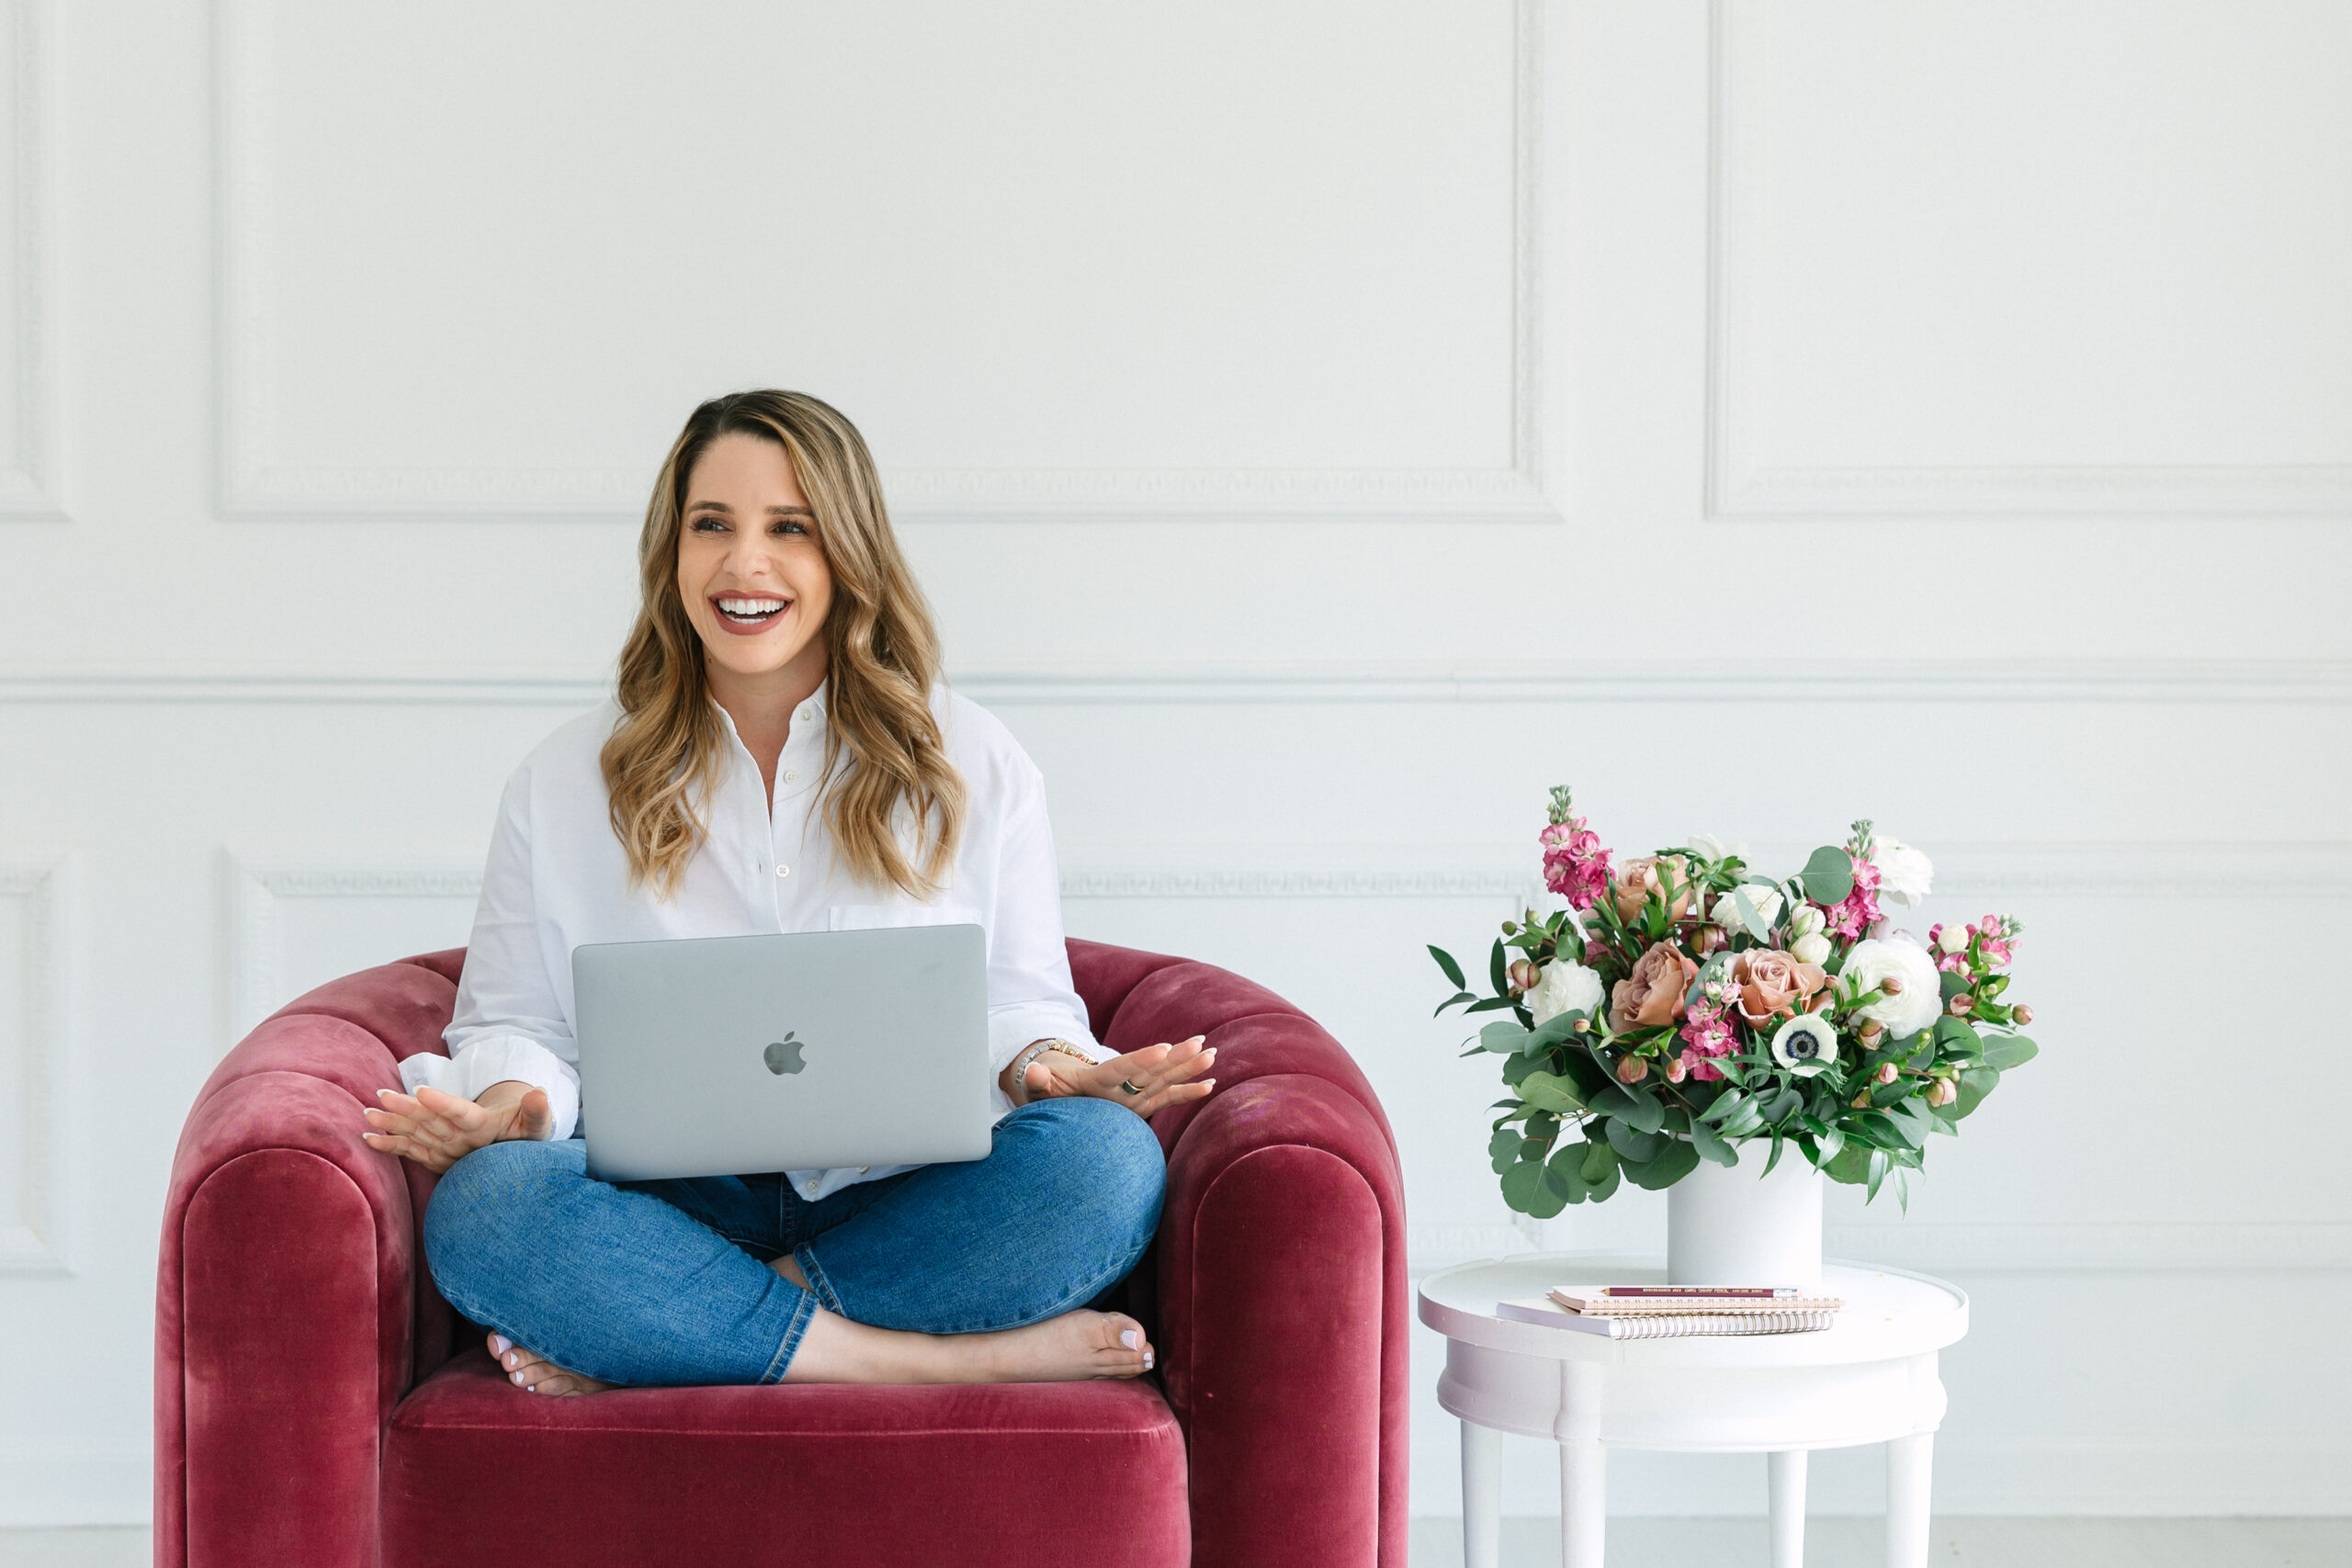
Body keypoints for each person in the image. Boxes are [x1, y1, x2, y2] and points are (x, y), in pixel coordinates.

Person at [359, 389, 1216, 1394]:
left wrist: (1050, 1069)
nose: (743, 566)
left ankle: (678, 1335)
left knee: (1105, 1164)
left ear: (847, 551)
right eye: (710, 525)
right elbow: (514, 1019)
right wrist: (508, 1102)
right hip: (673, 1204)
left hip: (906, 1198)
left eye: (789, 529)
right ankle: (924, 1363)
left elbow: (1022, 999)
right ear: (669, 551)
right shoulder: (561, 779)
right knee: (491, 1209)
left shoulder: (974, 759)